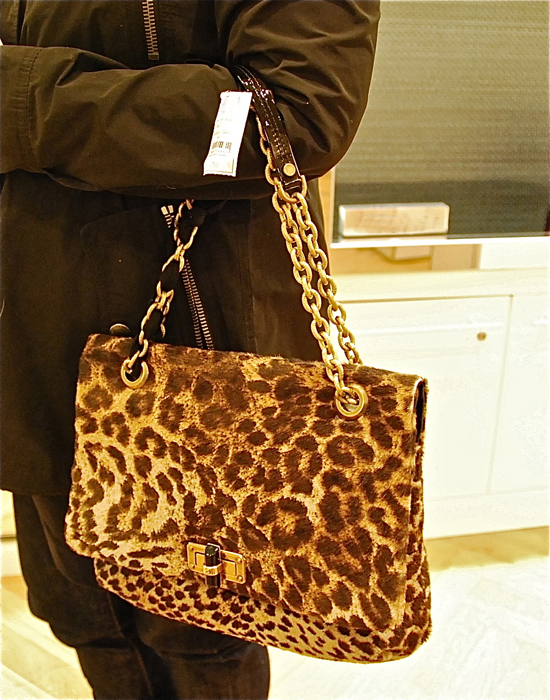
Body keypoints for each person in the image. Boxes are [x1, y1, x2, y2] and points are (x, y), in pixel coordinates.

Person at [0, 1, 379, 698]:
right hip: (33, 347)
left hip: (189, 369)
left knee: (199, 636)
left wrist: (23, 102)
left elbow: (295, 114)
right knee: (83, 616)